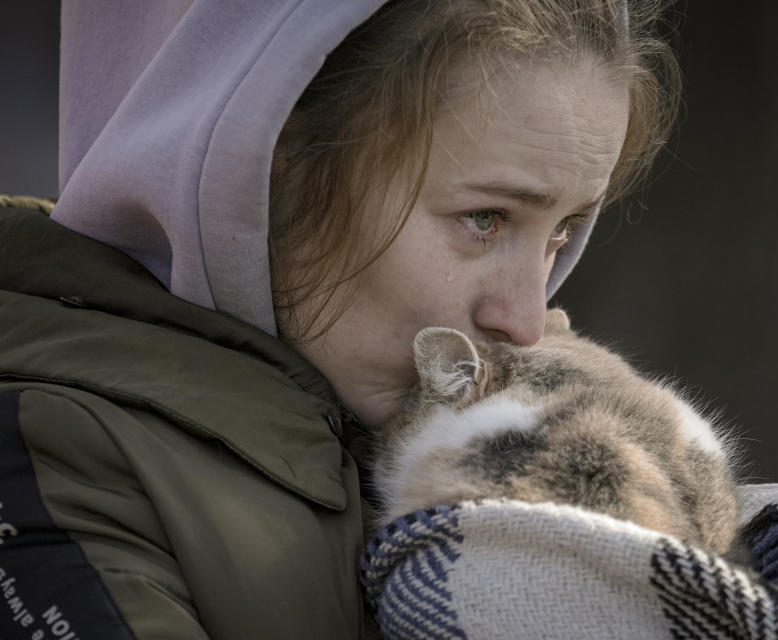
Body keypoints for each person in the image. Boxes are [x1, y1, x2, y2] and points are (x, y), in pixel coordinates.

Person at [0, 0, 679, 637]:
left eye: (561, 232)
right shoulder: (46, 462)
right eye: (485, 219)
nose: (527, 319)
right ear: (267, 164)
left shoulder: (484, 435)